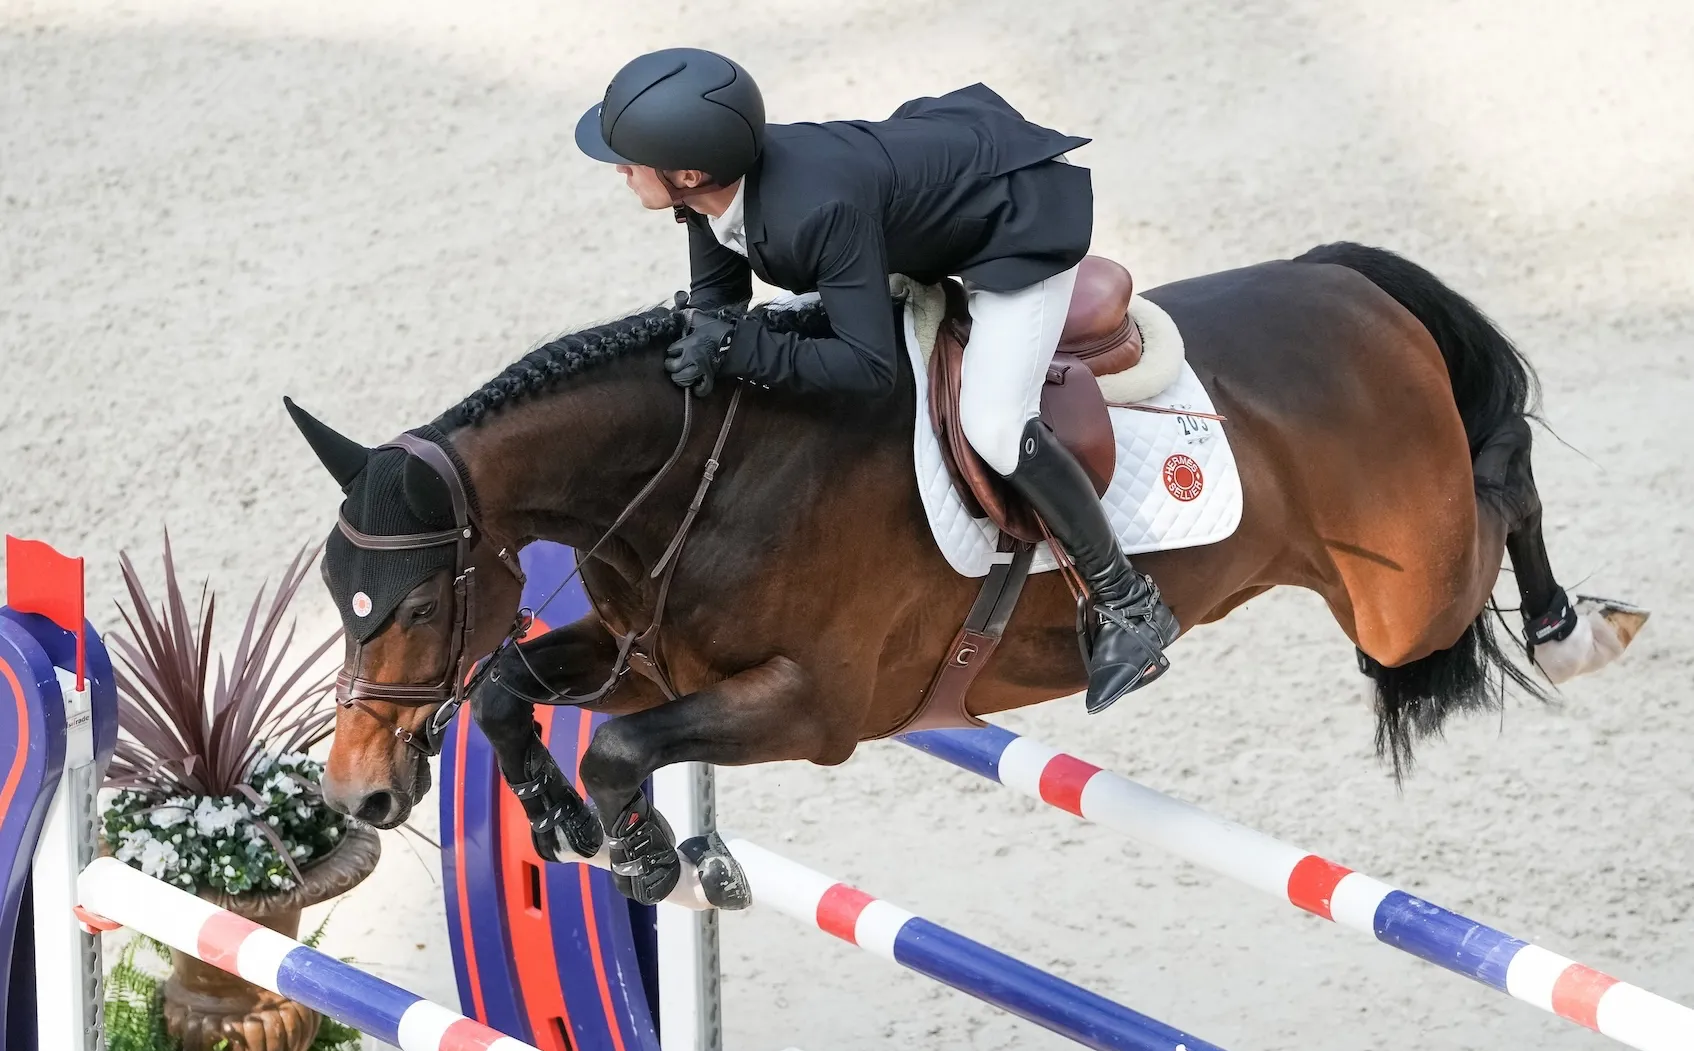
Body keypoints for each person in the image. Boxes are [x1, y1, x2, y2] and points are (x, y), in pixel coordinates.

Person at [575, 48, 1178, 712]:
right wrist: (698, 342)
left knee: (995, 424)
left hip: (1015, 223)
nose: (621, 170)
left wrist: (742, 348)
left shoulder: (813, 211)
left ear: (688, 171)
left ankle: (1127, 600)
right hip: (915, 194)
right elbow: (719, 300)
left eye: (629, 160)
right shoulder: (709, 195)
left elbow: (867, 366)